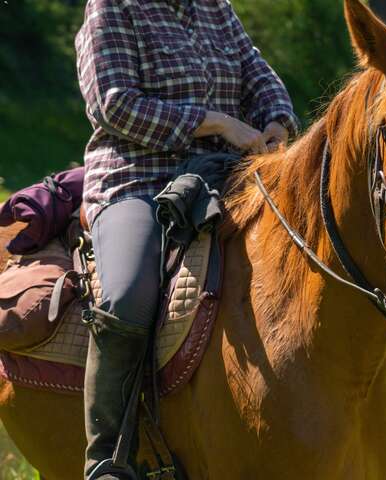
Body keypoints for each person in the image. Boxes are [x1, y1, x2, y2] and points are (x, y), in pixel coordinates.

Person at [75, 0, 298, 478]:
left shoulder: (215, 8)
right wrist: (215, 122)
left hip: (223, 177)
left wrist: (277, 119)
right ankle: (108, 458)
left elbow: (258, 74)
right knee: (126, 294)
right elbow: (113, 104)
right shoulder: (112, 9)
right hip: (137, 180)